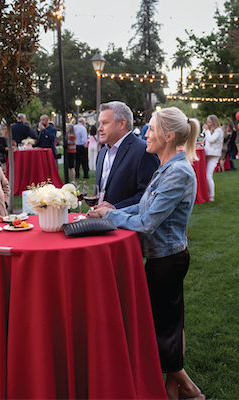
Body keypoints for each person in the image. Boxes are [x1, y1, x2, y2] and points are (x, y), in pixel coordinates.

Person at [87, 107, 205, 400]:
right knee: (167, 322)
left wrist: (109, 218)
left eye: (150, 129)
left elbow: (148, 221)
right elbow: (141, 208)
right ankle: (173, 387)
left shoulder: (177, 172)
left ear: (168, 135)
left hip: (167, 260)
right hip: (160, 258)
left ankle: (188, 387)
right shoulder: (165, 167)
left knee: (161, 325)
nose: (145, 135)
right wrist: (111, 209)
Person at [95, 101, 159, 208]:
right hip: (100, 221)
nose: (99, 128)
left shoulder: (144, 151)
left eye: (105, 123)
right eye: (99, 123)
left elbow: (148, 196)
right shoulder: (102, 152)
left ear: (122, 124)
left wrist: (115, 209)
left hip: (126, 222)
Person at [203, 115, 224, 201]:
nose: (208, 124)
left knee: (208, 176)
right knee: (204, 175)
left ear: (214, 122)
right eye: (207, 122)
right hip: (207, 154)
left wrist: (207, 131)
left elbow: (211, 140)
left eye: (209, 122)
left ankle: (212, 195)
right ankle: (206, 193)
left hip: (214, 155)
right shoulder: (211, 131)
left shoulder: (218, 131)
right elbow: (207, 141)